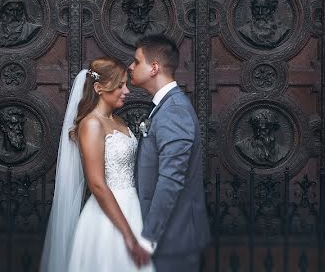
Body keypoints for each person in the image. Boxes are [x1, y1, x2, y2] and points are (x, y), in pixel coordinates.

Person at [40, 57, 153, 272]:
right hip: (108, 217)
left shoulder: (118, 121)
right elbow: (97, 184)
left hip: (132, 206)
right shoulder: (91, 124)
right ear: (99, 88)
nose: (127, 91)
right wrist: (127, 235)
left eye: (126, 85)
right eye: (120, 85)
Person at [128, 35, 211, 271]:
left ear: (154, 68)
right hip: (169, 238)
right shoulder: (166, 106)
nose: (130, 67)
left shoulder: (174, 110)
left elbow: (171, 179)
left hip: (174, 239)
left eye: (136, 62)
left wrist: (148, 237)